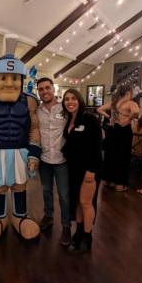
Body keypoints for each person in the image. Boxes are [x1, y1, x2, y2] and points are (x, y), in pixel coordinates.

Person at [0, 36, 41, 242]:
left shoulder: (29, 102)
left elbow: (35, 129)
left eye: (15, 78)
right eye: (3, 78)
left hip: (21, 152)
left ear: (22, 80)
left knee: (20, 186)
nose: (10, 83)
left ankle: (20, 217)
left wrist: (34, 154)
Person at [61, 89, 102, 253]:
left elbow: (97, 147)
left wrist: (91, 171)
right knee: (77, 202)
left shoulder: (90, 119)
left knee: (86, 203)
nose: (70, 102)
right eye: (66, 99)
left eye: (73, 99)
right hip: (73, 169)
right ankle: (78, 233)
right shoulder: (69, 119)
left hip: (89, 169)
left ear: (79, 100)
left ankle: (87, 236)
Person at [36, 77, 71, 245]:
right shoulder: (37, 111)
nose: (44, 91)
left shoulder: (65, 108)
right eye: (41, 89)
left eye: (47, 88)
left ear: (53, 88)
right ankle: (49, 216)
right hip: (44, 160)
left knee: (64, 195)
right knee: (46, 191)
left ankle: (66, 227)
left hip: (62, 160)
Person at [98, 84, 139, 191]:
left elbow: (99, 109)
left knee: (110, 155)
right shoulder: (131, 103)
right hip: (123, 131)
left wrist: (109, 117)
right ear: (127, 93)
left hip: (112, 130)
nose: (133, 94)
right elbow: (136, 112)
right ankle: (120, 184)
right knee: (122, 157)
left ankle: (108, 180)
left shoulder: (114, 103)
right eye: (132, 92)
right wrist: (128, 119)